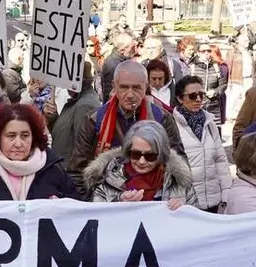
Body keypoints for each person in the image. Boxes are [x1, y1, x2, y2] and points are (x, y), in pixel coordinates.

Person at [68, 60, 185, 197]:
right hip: (108, 204)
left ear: (146, 87)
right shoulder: (94, 120)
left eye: (136, 88)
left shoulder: (162, 119)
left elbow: (179, 166)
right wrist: (93, 205)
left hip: (152, 203)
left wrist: (173, 200)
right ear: (114, 86)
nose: (130, 95)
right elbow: (77, 171)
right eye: (124, 87)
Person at [83, 120, 197, 209]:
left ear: (161, 155)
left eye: (150, 156)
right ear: (128, 151)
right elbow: (95, 216)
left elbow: (197, 220)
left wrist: (184, 210)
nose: (142, 162)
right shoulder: (109, 180)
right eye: (136, 154)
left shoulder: (178, 182)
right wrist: (118, 202)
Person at [172, 75, 231, 212]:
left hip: (214, 202)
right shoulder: (172, 126)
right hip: (186, 205)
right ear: (180, 98)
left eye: (201, 95)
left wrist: (226, 193)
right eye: (192, 96)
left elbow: (220, 160)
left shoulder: (210, 124)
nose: (198, 99)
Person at [49, 62, 100, 185]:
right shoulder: (76, 102)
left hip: (70, 176)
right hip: (63, 171)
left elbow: (81, 149)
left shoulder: (84, 105)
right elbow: (64, 135)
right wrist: (52, 118)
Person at [184, 43, 226, 122]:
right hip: (196, 106)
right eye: (203, 51)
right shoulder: (191, 68)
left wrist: (215, 92)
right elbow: (185, 87)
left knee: (215, 132)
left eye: (208, 51)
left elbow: (223, 85)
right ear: (198, 53)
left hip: (213, 106)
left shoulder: (216, 67)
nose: (206, 53)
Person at [100, 33, 139, 101]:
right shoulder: (113, 65)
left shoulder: (122, 60)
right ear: (122, 50)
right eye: (132, 47)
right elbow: (109, 90)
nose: (134, 49)